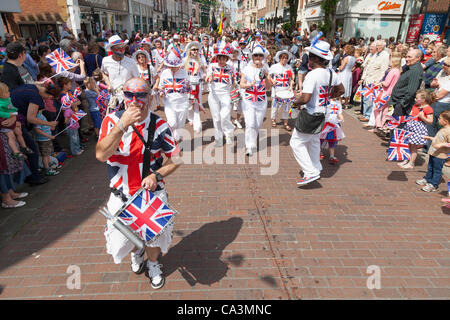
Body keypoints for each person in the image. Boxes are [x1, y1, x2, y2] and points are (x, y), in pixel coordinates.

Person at [96, 77, 181, 289]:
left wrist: (157, 175)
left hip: (150, 195)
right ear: (123, 96)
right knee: (126, 237)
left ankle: (153, 263)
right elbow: (100, 154)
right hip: (121, 195)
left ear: (150, 98)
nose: (134, 100)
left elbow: (176, 159)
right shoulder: (110, 122)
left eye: (141, 95)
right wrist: (121, 125)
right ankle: (137, 254)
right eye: (129, 95)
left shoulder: (159, 125)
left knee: (153, 236)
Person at [290, 39, 344, 185]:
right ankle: (316, 167)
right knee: (314, 141)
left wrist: (294, 102)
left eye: (309, 56)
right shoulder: (331, 73)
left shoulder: (312, 75)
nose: (307, 59)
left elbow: (306, 98)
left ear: (315, 58)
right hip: (324, 112)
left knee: (296, 142)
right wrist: (327, 96)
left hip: (311, 114)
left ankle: (310, 172)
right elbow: (341, 90)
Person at [10, 83, 59, 185]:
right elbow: (31, 118)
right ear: (49, 95)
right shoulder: (36, 97)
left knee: (28, 148)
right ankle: (34, 176)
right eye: (50, 98)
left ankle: (31, 173)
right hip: (14, 121)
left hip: (13, 118)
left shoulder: (32, 86)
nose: (48, 100)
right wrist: (49, 123)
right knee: (32, 148)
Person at [240, 45, 272, 156]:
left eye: (260, 55)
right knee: (250, 124)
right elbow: (242, 84)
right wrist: (250, 84)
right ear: (252, 57)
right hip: (248, 100)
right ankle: (249, 146)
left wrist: (266, 78)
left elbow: (268, 87)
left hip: (261, 100)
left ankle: (252, 142)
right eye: (256, 55)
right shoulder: (247, 68)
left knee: (257, 124)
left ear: (263, 57)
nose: (258, 57)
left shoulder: (266, 68)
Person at [156, 47, 190, 142]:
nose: (172, 68)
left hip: (182, 103)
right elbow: (161, 86)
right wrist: (162, 92)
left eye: (174, 66)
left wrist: (187, 86)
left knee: (179, 127)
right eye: (170, 66)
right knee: (172, 123)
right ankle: (167, 138)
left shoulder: (184, 73)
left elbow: (189, 88)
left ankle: (174, 142)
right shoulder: (164, 73)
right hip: (169, 103)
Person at [206, 42, 235, 146]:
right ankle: (218, 138)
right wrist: (209, 78)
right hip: (213, 95)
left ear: (227, 59)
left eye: (224, 59)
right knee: (216, 118)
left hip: (225, 94)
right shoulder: (212, 66)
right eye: (220, 58)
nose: (221, 61)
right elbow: (207, 77)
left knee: (224, 116)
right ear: (217, 58)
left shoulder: (231, 68)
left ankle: (228, 134)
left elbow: (233, 82)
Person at [101, 35, 139, 112]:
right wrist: (108, 84)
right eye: (118, 48)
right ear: (112, 49)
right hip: (114, 99)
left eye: (123, 47)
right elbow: (104, 73)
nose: (121, 50)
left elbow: (137, 80)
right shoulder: (105, 61)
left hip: (129, 100)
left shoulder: (131, 62)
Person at [398, 89, 434, 169]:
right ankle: (406, 159)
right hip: (410, 127)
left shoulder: (428, 108)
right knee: (407, 144)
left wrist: (422, 117)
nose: (415, 99)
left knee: (413, 146)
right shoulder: (415, 106)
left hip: (418, 129)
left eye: (416, 98)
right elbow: (411, 115)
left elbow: (430, 121)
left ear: (423, 100)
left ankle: (411, 163)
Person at [417, 110, 450, 192]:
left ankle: (433, 184)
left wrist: (442, 145)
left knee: (437, 170)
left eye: (439, 118)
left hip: (440, 155)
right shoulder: (443, 129)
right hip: (434, 153)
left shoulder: (448, 131)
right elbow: (438, 139)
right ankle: (427, 179)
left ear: (445, 121)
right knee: (430, 167)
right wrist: (429, 138)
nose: (438, 119)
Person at [371, 52, 402, 134]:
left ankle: (379, 125)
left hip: (384, 93)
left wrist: (380, 83)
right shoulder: (398, 71)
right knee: (385, 110)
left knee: (376, 109)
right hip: (391, 93)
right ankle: (383, 125)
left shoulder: (392, 71)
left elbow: (386, 83)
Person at [389, 48, 424, 116]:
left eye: (409, 57)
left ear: (418, 58)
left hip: (403, 105)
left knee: (398, 125)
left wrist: (401, 103)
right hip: (398, 103)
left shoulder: (415, 71)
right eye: (406, 56)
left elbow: (411, 91)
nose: (406, 59)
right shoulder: (410, 67)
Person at [0, 82, 30, 160]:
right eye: (6, 92)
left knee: (19, 132)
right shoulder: (1, 103)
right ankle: (16, 152)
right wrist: (9, 115)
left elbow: (12, 108)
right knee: (11, 136)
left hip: (11, 120)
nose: (9, 93)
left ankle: (24, 147)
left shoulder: (7, 99)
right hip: (5, 123)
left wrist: (14, 113)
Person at [183, 41, 206, 133]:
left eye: (196, 49)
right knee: (188, 104)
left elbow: (205, 70)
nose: (195, 51)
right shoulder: (185, 60)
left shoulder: (201, 59)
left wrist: (204, 71)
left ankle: (197, 126)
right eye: (193, 50)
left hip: (197, 84)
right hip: (188, 85)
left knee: (197, 103)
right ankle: (190, 118)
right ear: (189, 51)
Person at [269, 50, 295, 131]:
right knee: (275, 106)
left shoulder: (288, 67)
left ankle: (285, 123)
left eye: (286, 58)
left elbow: (292, 77)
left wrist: (292, 84)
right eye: (283, 58)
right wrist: (272, 81)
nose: (285, 59)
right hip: (276, 89)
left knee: (286, 107)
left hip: (286, 90)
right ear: (280, 58)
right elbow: (268, 76)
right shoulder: (274, 67)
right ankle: (273, 119)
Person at [33, 108, 58, 176]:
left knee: (47, 154)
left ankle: (50, 165)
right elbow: (37, 130)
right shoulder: (37, 117)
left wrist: (50, 127)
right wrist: (49, 136)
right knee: (45, 155)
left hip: (46, 139)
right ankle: (47, 169)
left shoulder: (41, 115)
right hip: (43, 140)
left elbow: (43, 127)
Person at [320, 99, 345, 164]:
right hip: (325, 124)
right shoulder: (326, 101)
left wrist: (341, 118)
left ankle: (332, 156)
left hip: (334, 124)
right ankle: (318, 152)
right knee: (321, 139)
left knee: (332, 140)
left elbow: (339, 113)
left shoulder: (338, 103)